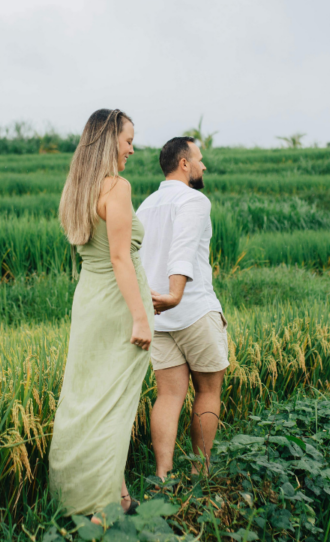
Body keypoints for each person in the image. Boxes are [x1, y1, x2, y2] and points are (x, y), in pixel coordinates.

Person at [48, 109, 152, 519]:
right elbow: (120, 259)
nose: (132, 148)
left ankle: (106, 494)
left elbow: (99, 256)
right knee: (115, 405)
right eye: (128, 140)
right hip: (117, 307)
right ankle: (101, 506)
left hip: (90, 301)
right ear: (110, 141)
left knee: (87, 397)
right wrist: (140, 316)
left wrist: (150, 293)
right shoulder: (117, 187)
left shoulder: (77, 187)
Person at [136, 136, 228, 480]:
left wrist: (155, 301)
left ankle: (163, 476)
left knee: (169, 395)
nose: (204, 165)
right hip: (192, 310)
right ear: (184, 163)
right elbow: (183, 249)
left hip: (158, 317)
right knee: (208, 391)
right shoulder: (194, 200)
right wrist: (175, 294)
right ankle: (201, 473)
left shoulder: (145, 205)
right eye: (199, 159)